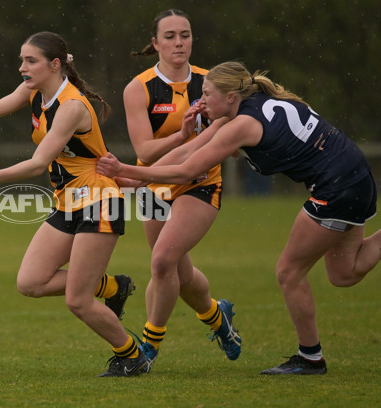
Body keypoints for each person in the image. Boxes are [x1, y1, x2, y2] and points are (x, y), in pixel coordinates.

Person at [97, 60, 381, 375]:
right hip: (357, 178)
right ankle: (254, 335)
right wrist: (134, 180)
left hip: (337, 189)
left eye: (206, 94)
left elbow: (186, 171)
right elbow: (186, 154)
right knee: (344, 273)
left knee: (288, 272)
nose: (200, 101)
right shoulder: (241, 112)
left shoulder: (242, 125)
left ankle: (310, 358)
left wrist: (123, 170)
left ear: (231, 97)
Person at [0, 31, 145, 377]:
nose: (22, 68)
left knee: (77, 300)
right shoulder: (33, 90)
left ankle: (132, 355)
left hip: (101, 199)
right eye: (21, 60)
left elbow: (39, 163)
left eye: (30, 61)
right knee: (30, 282)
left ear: (55, 64)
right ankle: (114, 287)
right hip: (68, 200)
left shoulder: (71, 106)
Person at [122, 9, 241, 373]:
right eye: (170, 36)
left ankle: (149, 346)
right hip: (152, 186)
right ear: (155, 43)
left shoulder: (212, 82)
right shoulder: (138, 87)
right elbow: (144, 152)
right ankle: (218, 319)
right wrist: (182, 134)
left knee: (161, 261)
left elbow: (232, 142)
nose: (179, 42)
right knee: (180, 274)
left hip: (201, 184)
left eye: (185, 35)